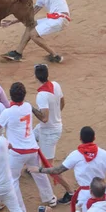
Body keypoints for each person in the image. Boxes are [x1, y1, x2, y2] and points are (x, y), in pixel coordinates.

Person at [0, 82, 57, 212]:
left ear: (11, 95)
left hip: (17, 153)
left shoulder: (7, 112)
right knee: (38, 174)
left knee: (13, 180)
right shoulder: (28, 106)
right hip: (32, 148)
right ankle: (50, 198)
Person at [27, 126, 106, 212]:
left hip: (86, 194)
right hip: (101, 190)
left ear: (80, 138)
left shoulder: (76, 155)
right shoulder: (104, 154)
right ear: (94, 137)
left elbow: (57, 170)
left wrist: (39, 169)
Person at [3, 0, 70, 63]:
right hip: (55, 18)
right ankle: (18, 53)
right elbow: (32, 13)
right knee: (30, 25)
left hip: (60, 18)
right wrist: (13, 22)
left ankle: (55, 56)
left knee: (33, 34)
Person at [31, 64, 74, 202]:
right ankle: (30, 165)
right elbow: (62, 102)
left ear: (36, 76)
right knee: (29, 139)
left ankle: (70, 191)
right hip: (48, 128)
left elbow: (44, 117)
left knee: (49, 167)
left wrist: (31, 108)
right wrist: (57, 114)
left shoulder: (41, 95)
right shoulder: (55, 85)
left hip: (49, 132)